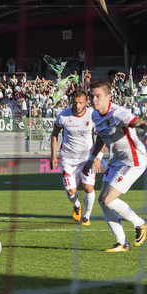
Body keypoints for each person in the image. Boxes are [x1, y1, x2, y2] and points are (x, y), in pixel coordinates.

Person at [83, 81, 147, 252]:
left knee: (109, 199)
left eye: (98, 96)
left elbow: (144, 124)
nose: (94, 99)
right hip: (116, 160)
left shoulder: (118, 114)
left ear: (108, 97)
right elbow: (101, 138)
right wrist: (92, 158)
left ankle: (141, 224)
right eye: (92, 96)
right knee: (102, 201)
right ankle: (122, 243)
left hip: (134, 160)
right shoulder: (95, 115)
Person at [49, 88, 102, 225]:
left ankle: (86, 216)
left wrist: (98, 157)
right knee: (71, 191)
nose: (77, 106)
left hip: (87, 158)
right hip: (68, 159)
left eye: (80, 103)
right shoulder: (63, 116)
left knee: (88, 188)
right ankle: (77, 204)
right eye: (75, 103)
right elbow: (54, 134)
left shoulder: (93, 115)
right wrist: (53, 156)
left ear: (86, 102)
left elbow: (102, 136)